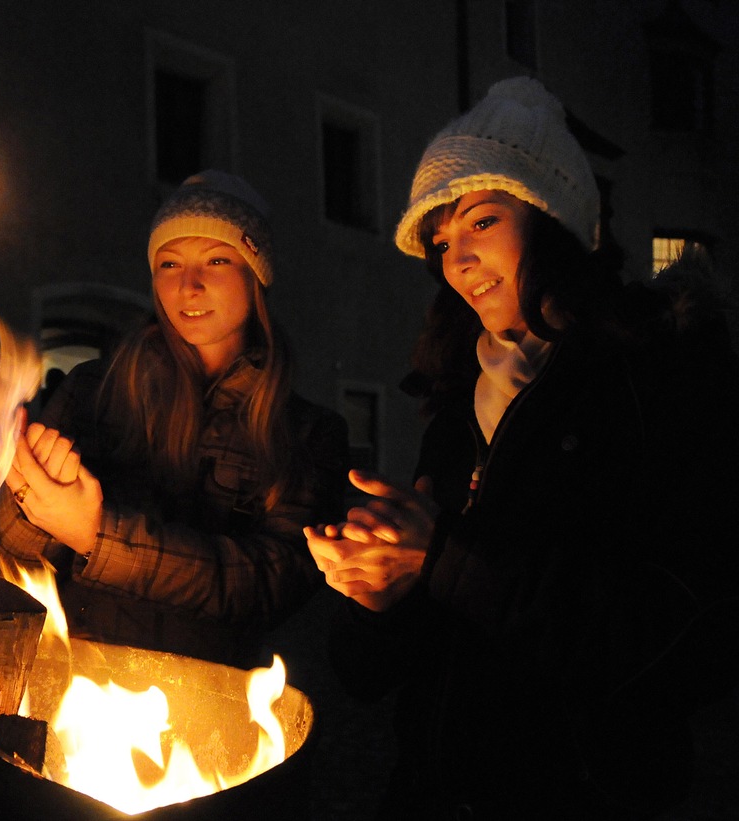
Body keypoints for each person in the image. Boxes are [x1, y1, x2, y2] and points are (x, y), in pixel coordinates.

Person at [306, 77, 739, 819]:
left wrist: (444, 558)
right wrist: (382, 598)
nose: (457, 259)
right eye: (442, 241)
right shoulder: (457, 396)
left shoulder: (652, 380)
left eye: (481, 220)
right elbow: (381, 672)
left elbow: (685, 641)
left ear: (550, 217)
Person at [0, 171, 349, 669]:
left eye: (217, 261)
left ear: (256, 275)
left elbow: (270, 583)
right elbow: (3, 565)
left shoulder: (305, 431)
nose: (188, 285)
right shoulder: (94, 390)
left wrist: (96, 537)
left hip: (211, 699)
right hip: (80, 684)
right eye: (169, 263)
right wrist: (32, 508)